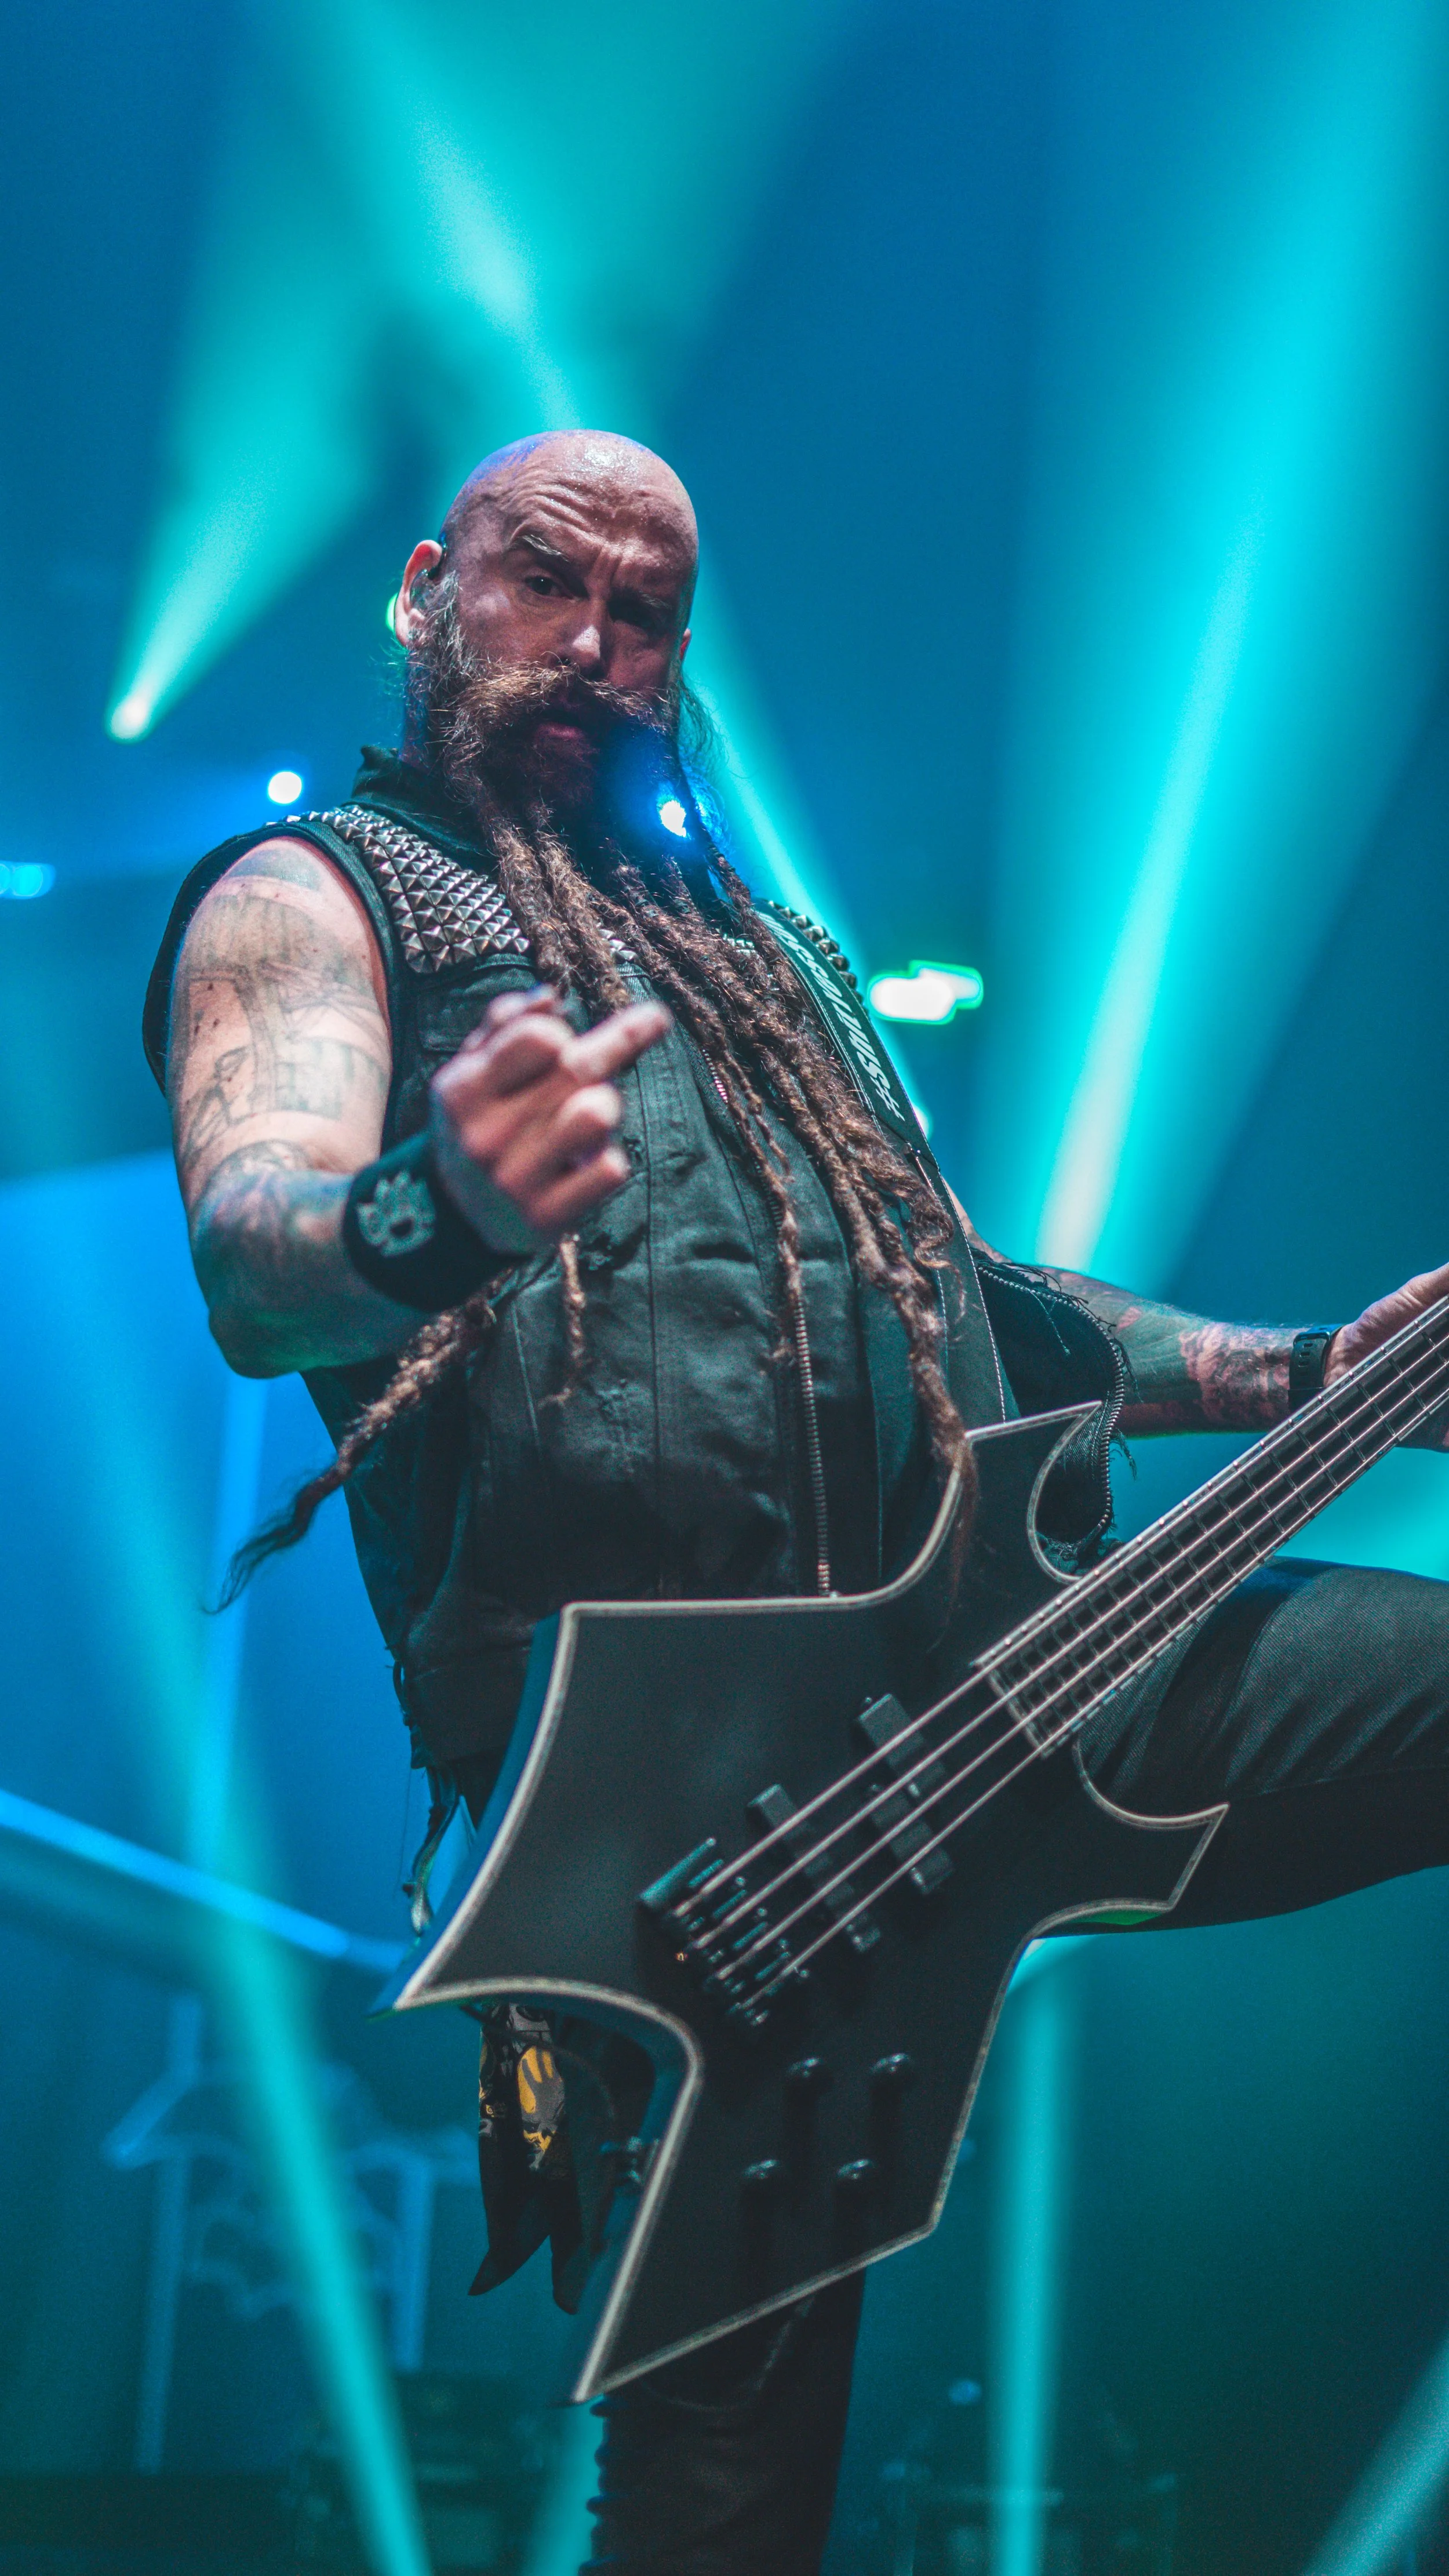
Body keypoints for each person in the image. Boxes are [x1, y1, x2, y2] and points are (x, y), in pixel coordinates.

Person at [145, 429, 1449, 2575]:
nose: (589, 644)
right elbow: (251, 1250)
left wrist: (1315, 1380)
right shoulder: (315, 901)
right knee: (724, 2498)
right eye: (540, 581)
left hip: (994, 1667)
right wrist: (437, 1204)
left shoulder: (751, 960)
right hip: (669, 1800)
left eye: (639, 610)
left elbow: (979, 1301)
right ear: (418, 588)